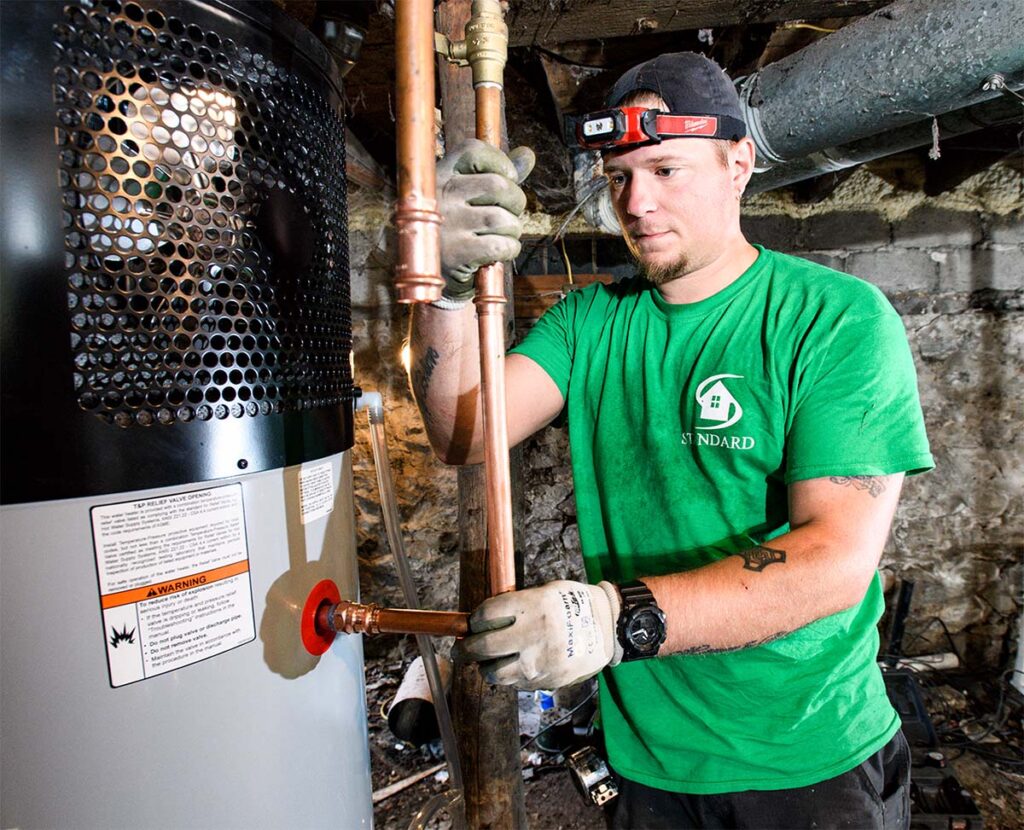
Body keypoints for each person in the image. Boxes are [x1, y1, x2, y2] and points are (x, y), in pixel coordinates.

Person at [408, 52, 933, 829]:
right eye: (619, 177)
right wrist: (442, 293)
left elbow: (833, 564)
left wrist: (613, 619)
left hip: (805, 759)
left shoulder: (835, 319)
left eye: (665, 169)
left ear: (738, 165)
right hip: (648, 759)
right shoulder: (589, 324)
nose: (638, 202)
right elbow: (463, 433)